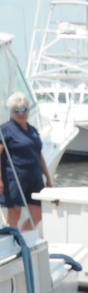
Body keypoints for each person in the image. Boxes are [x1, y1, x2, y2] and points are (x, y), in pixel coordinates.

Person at [0, 93, 53, 230]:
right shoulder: (5, 130)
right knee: (15, 214)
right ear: (11, 112)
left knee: (38, 213)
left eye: (24, 110)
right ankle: (13, 242)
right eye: (16, 111)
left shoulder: (33, 130)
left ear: (28, 110)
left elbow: (39, 154)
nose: (21, 113)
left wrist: (48, 177)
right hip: (14, 178)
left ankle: (23, 237)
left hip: (34, 178)